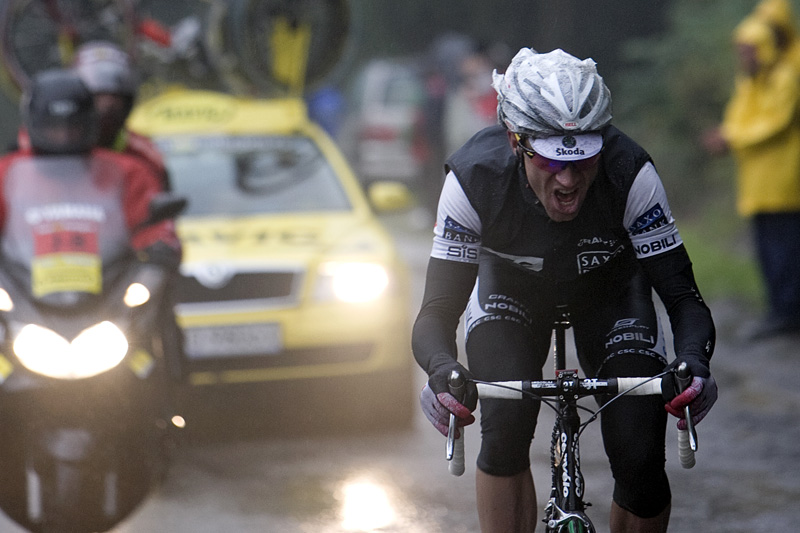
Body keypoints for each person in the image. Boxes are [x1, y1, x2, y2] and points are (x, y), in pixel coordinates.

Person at [412, 48, 717, 533]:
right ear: (516, 141)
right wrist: (441, 369)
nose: (569, 180)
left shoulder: (629, 173)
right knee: (505, 428)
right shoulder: (473, 180)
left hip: (611, 291)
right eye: (553, 161)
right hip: (510, 291)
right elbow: (437, 310)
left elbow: (684, 298)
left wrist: (694, 364)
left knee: (640, 454)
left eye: (584, 159)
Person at [0, 68, 181, 320]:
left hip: (110, 297)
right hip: (25, 297)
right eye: (54, 129)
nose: (63, 136)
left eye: (72, 128)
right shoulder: (7, 173)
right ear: (33, 124)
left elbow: (156, 225)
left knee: (158, 318)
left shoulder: (128, 172)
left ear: (90, 123)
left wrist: (160, 247)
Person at [702, 15, 800, 340]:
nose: (744, 57)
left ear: (765, 47)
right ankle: (777, 311)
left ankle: (788, 313)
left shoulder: (786, 77)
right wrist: (726, 134)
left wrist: (731, 138)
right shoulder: (749, 81)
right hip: (757, 181)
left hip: (786, 180)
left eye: (749, 50)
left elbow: (777, 121)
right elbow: (738, 118)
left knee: (786, 246)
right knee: (767, 247)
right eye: (741, 50)